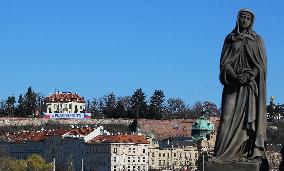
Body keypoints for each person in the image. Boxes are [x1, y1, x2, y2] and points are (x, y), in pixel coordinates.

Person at [213, 9, 267, 162]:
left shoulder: (257, 40)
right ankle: (221, 154)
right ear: (238, 19)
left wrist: (250, 75)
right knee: (226, 118)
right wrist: (236, 76)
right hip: (232, 85)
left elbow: (260, 66)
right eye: (242, 17)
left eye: (248, 18)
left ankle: (244, 152)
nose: (244, 20)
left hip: (249, 87)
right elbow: (224, 63)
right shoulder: (230, 39)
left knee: (247, 121)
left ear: (252, 21)